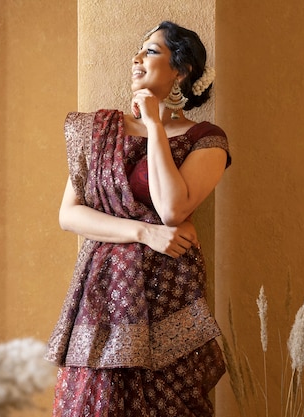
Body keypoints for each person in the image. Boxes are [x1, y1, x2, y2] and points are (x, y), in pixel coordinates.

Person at [45, 21, 232, 416]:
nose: (136, 58)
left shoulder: (206, 138)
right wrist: (144, 233)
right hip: (102, 292)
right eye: (139, 49)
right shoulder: (99, 131)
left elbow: (172, 209)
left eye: (151, 51)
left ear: (180, 71)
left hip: (167, 293)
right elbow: (69, 214)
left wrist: (154, 125)